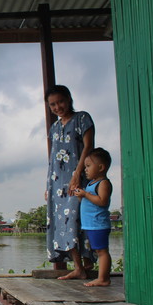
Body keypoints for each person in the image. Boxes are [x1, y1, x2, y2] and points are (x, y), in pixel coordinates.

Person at [44, 84, 96, 279]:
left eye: (60, 102)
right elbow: (53, 158)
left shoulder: (82, 118)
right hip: (58, 183)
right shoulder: (55, 128)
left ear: (69, 99)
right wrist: (48, 186)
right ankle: (78, 267)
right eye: (53, 105)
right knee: (64, 223)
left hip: (80, 178)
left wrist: (77, 174)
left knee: (80, 218)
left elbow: (89, 147)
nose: (58, 107)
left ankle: (89, 261)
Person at [74, 148, 113, 286]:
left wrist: (85, 194)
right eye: (85, 167)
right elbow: (87, 202)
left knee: (102, 252)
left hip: (98, 224)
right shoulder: (91, 184)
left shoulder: (103, 183)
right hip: (90, 224)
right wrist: (80, 196)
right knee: (99, 250)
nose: (86, 169)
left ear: (101, 167)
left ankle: (103, 279)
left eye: (89, 166)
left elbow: (102, 201)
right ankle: (102, 277)